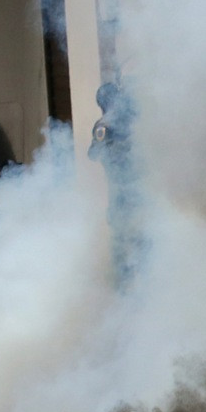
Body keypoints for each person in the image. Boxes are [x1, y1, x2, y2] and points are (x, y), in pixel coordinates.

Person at [89, 80, 141, 288]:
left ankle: (127, 286)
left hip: (124, 193)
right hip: (131, 192)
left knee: (123, 240)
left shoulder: (105, 124)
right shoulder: (127, 122)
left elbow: (93, 154)